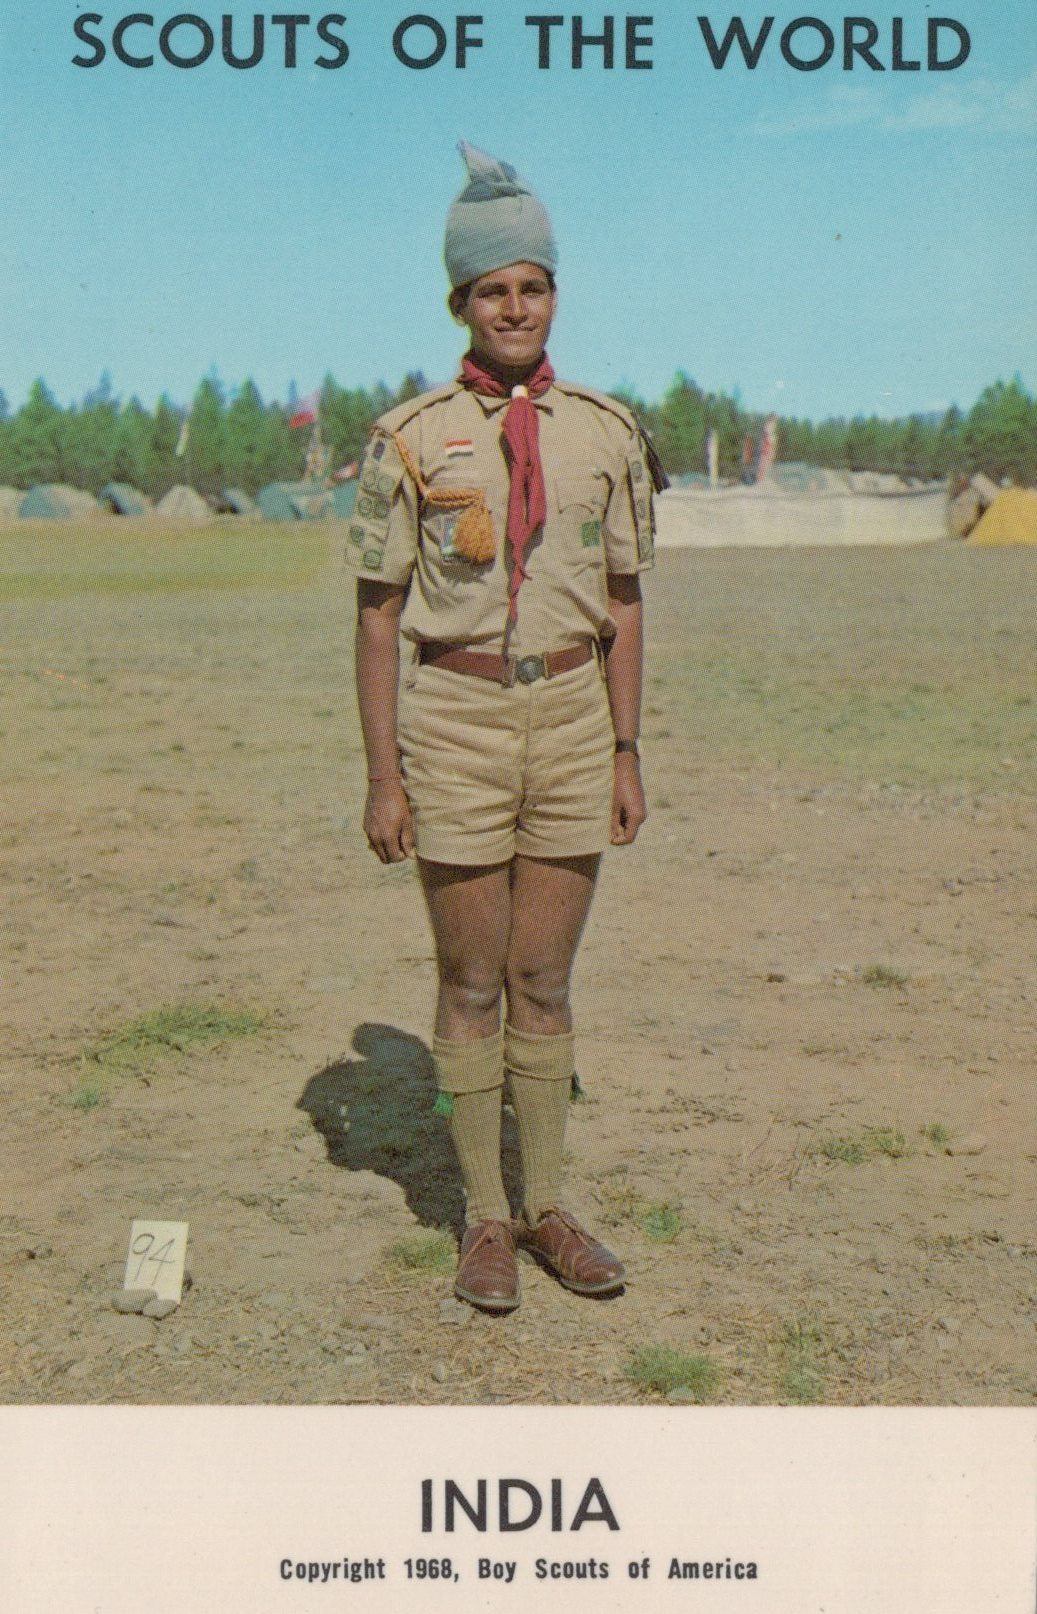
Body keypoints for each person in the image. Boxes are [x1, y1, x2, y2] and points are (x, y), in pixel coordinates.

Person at [347, 142, 663, 1313]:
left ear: (552, 295)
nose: (513, 307)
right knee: (471, 978)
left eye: (530, 286)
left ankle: (549, 1207)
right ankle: (483, 1214)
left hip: (575, 720)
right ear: (460, 303)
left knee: (544, 972)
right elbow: (378, 619)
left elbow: (626, 600)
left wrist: (627, 749)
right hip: (460, 718)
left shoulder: (605, 432)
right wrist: (386, 776)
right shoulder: (412, 439)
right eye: (491, 290)